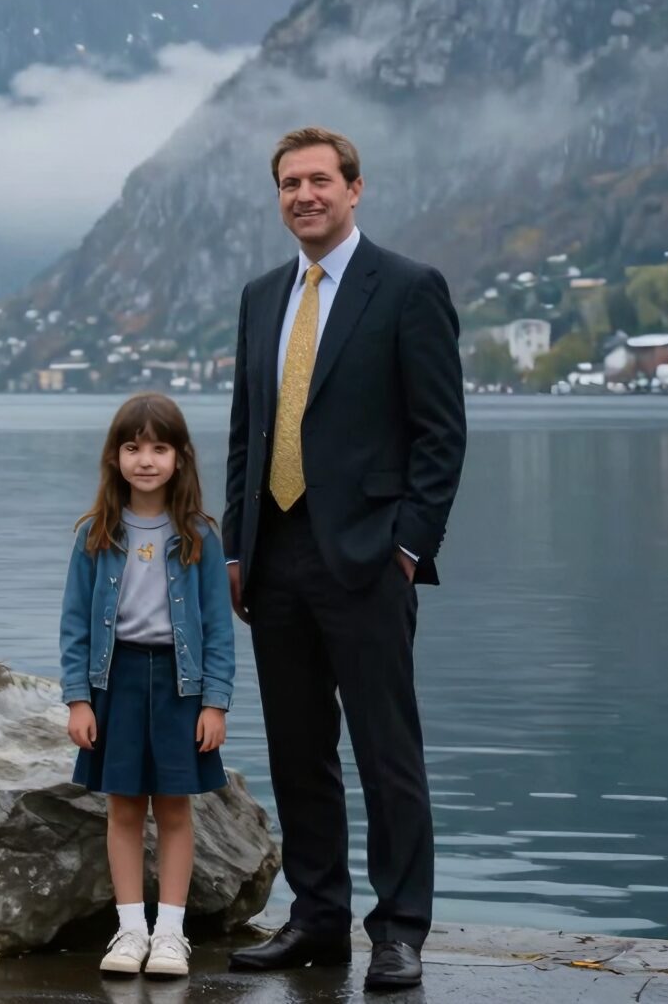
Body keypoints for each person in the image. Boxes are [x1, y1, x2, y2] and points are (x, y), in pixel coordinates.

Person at [224, 128, 465, 992]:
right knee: (298, 749)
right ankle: (318, 917)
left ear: (355, 188)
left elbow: (441, 434)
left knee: (386, 751)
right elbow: (248, 431)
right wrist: (235, 550)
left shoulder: (407, 288)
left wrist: (408, 546)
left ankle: (400, 929)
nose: (304, 195)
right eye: (289, 183)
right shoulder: (260, 296)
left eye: (320, 180)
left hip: (369, 559)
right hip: (274, 560)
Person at [61, 391, 234, 980]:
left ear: (180, 458)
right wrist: (78, 698)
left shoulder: (200, 538)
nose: (146, 459)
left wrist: (215, 702)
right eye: (133, 447)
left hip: (181, 688)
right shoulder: (94, 534)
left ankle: (170, 934)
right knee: (124, 809)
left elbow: (217, 630)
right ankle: (131, 928)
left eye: (159, 448)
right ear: (114, 457)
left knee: (177, 810)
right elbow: (74, 624)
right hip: (118, 682)